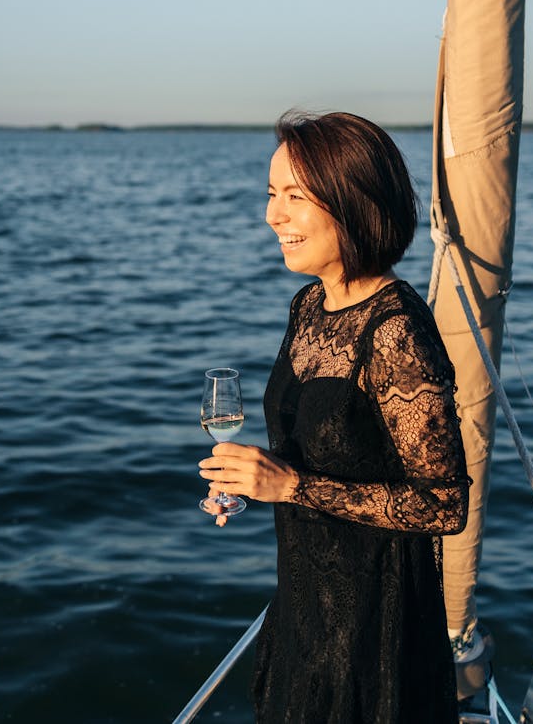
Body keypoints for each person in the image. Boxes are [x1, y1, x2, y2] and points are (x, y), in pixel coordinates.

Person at [199, 111, 470, 723]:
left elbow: (444, 505)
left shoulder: (396, 331)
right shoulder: (310, 307)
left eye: (295, 196)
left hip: (377, 626)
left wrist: (291, 486)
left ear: (353, 202)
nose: (273, 215)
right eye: (272, 194)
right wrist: (251, 482)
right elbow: (317, 452)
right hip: (305, 601)